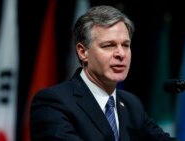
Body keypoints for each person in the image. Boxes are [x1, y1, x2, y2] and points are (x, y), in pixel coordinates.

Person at [30, 5, 175, 141]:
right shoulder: (53, 102)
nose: (121, 54)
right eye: (109, 45)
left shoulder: (132, 105)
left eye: (125, 45)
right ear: (83, 52)